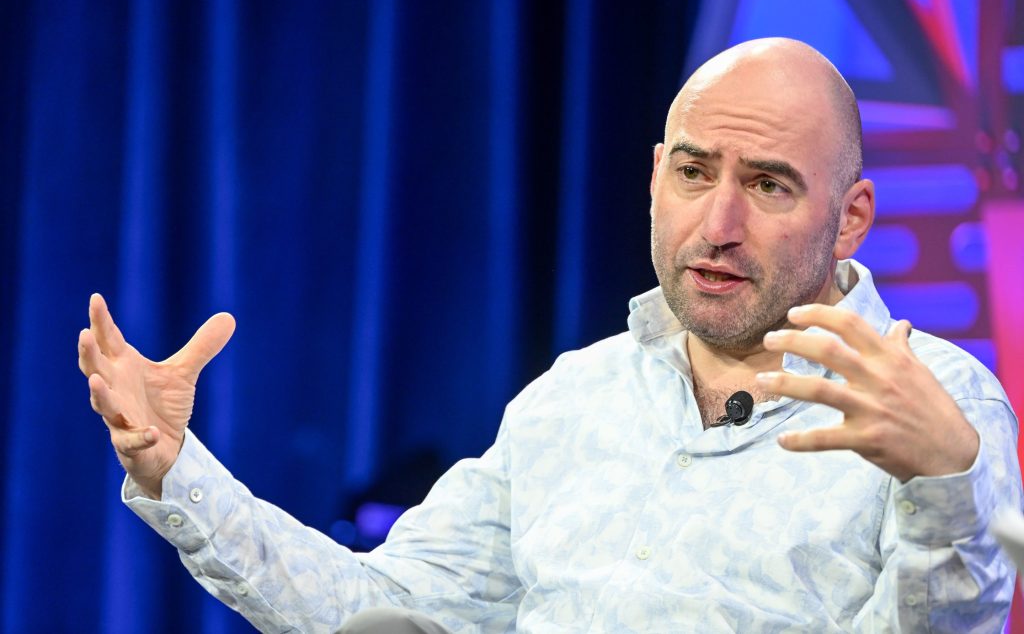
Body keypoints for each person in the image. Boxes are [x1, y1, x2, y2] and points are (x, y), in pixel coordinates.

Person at [79, 38, 1021, 632]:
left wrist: (947, 489)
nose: (719, 223)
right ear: (655, 177)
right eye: (695, 173)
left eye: (769, 185)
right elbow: (383, 607)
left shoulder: (940, 403)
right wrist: (176, 468)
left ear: (851, 218)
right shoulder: (573, 398)